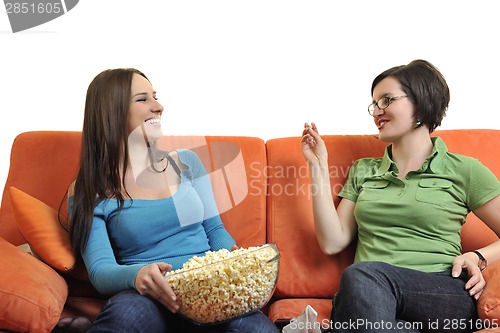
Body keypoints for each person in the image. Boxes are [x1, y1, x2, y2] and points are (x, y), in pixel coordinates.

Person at [67, 68, 280, 333]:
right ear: (112, 111)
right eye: (143, 99)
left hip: (207, 289)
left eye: (155, 96)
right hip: (147, 297)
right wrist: (137, 275)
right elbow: (100, 270)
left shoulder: (186, 163)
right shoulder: (90, 190)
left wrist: (233, 260)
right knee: (124, 319)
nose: (159, 107)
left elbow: (214, 230)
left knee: (255, 330)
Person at [301, 59, 500, 333]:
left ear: (420, 102)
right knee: (362, 298)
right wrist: (318, 166)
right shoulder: (363, 170)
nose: (376, 112)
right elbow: (333, 242)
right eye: (374, 104)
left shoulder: (464, 170)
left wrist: (479, 256)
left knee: (362, 278)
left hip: (441, 292)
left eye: (386, 100)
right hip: (368, 298)